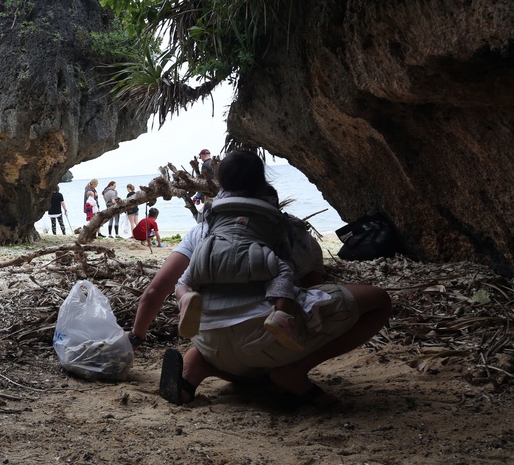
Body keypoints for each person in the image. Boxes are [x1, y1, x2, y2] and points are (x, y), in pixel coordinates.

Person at [127, 205, 392, 408]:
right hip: (267, 343)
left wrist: (136, 337)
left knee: (216, 321)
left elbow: (154, 292)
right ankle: (294, 371)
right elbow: (312, 295)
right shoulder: (294, 235)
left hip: (211, 341)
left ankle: (197, 365)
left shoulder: (203, 232)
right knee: (378, 301)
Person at [173, 151, 299, 349]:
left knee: (183, 281)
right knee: (283, 272)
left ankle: (186, 297)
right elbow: (279, 227)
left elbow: (206, 224)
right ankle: (281, 314)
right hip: (255, 258)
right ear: (260, 177)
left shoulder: (216, 204)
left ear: (221, 179)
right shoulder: (269, 198)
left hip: (209, 257)